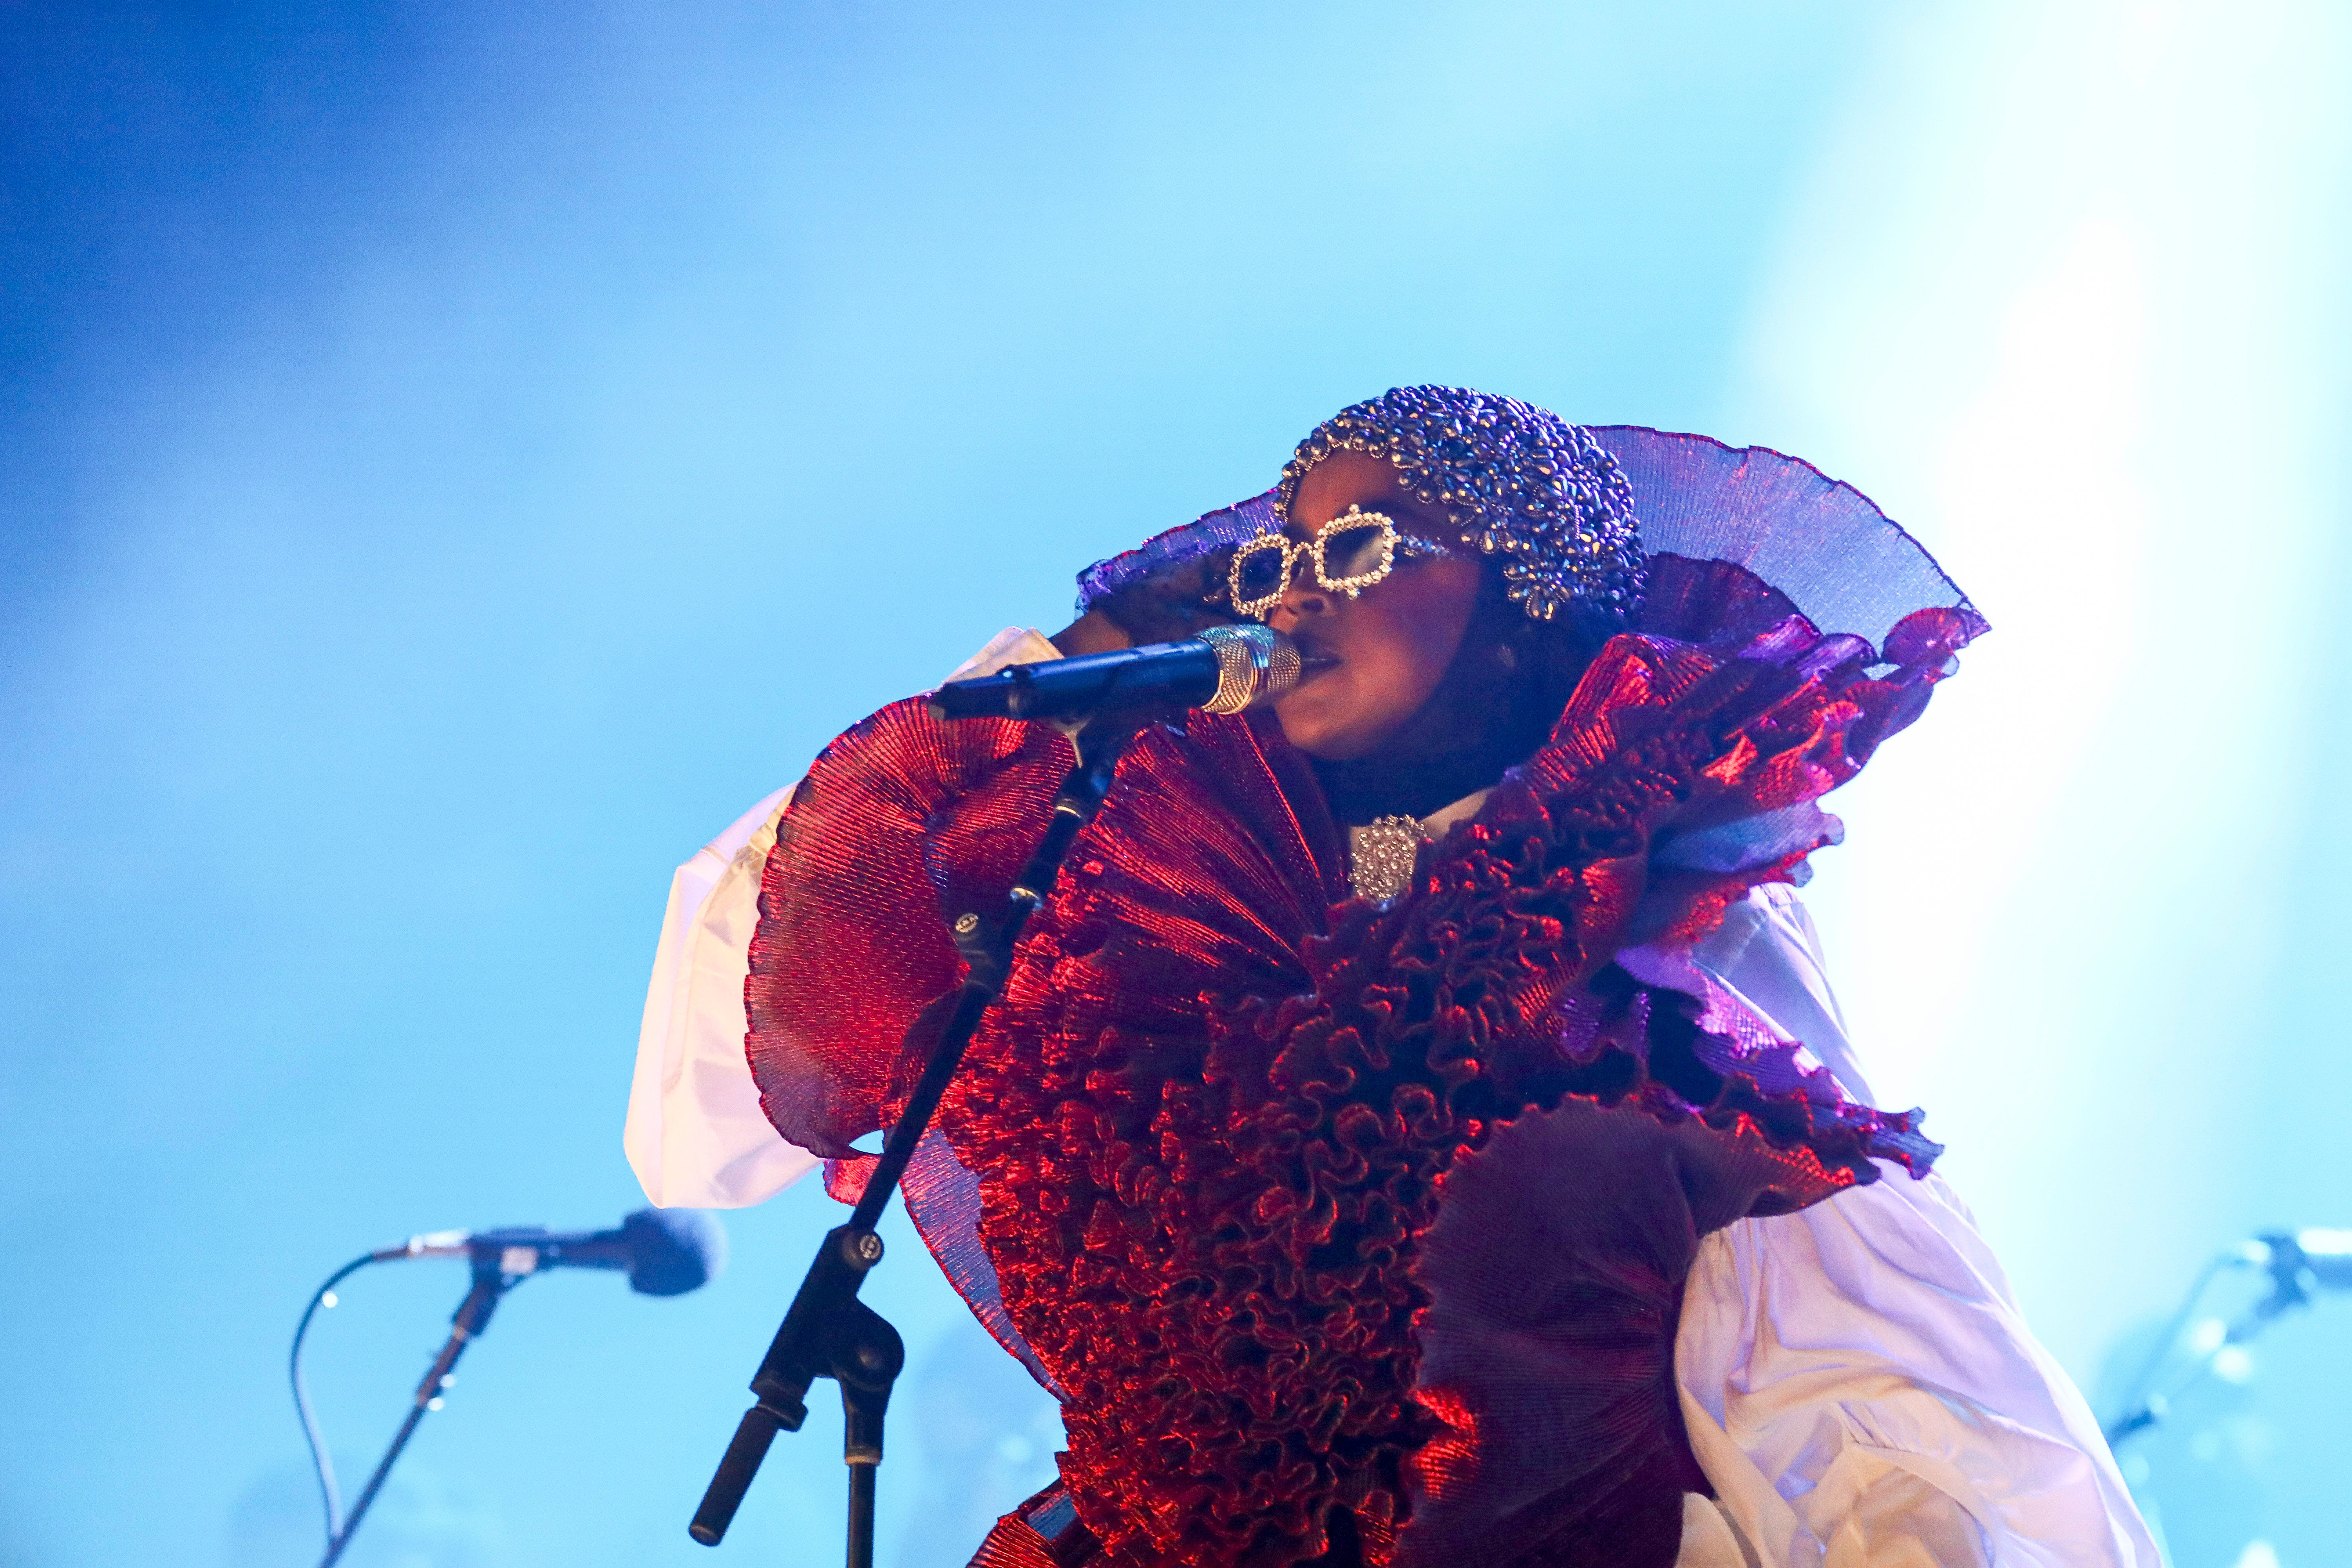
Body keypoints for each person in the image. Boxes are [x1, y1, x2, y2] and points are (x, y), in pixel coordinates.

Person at [626, 388, 2156, 1567]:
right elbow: (718, 1050)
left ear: (1523, 598)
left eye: (1359, 547)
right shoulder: (1166, 935)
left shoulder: (1640, 912)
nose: (1293, 592)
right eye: (1277, 558)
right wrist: (1020, 718)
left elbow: (1865, 1387)